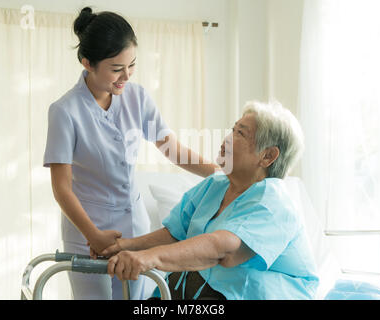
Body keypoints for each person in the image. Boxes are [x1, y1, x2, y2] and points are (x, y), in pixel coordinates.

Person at [43, 7, 219, 300]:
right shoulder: (65, 111)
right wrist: (93, 236)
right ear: (88, 63)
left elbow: (172, 149)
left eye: (132, 65)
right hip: (86, 230)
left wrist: (222, 173)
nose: (126, 76)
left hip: (133, 227)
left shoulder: (137, 98)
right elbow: (61, 189)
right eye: (116, 69)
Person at [95, 100, 320, 300]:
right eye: (232, 129)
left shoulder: (274, 202)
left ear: (268, 156)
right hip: (192, 289)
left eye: (240, 133)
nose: (227, 139)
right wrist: (121, 246)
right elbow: (174, 234)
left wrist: (149, 258)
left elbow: (223, 249)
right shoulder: (215, 185)